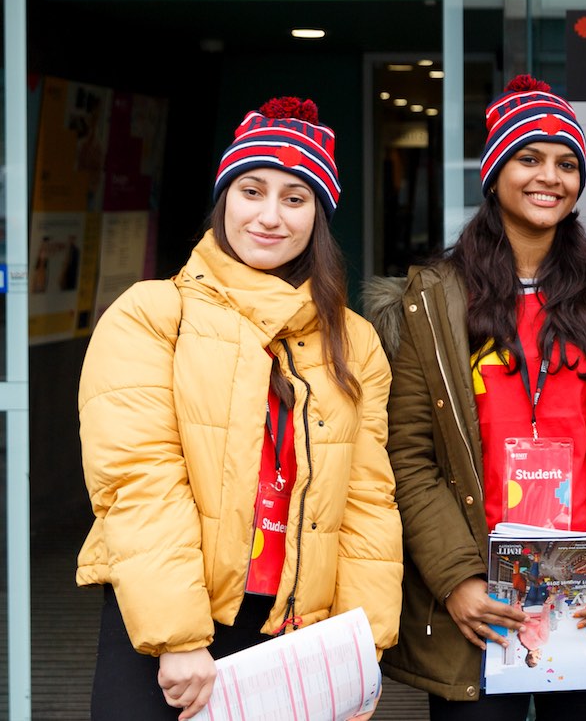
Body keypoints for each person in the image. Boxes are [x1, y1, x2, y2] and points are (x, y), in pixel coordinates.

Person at [366, 75, 586, 721]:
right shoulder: (432, 303)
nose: (551, 176)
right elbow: (410, 458)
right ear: (495, 173)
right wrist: (457, 578)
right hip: (480, 597)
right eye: (529, 157)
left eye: (567, 163)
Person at [76, 97, 404, 721]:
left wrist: (363, 651)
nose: (270, 216)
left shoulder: (353, 341)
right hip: (168, 624)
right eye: (252, 191)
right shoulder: (152, 314)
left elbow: (368, 502)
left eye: (295, 198)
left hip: (294, 633)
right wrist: (179, 637)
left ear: (319, 216)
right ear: (225, 197)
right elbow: (138, 482)